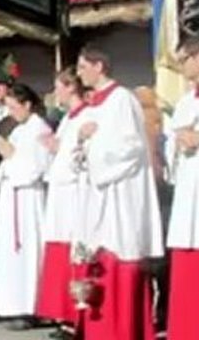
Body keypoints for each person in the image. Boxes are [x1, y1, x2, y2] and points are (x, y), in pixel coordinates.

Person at [75, 45, 163, 340]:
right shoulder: (94, 105)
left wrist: (94, 145)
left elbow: (131, 147)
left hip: (119, 197)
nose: (78, 73)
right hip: (97, 196)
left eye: (82, 66)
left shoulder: (122, 99)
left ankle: (123, 331)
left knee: (119, 257)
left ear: (99, 66)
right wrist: (82, 142)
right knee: (95, 260)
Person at [0, 83, 53, 330]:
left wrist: (10, 156)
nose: (12, 112)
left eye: (14, 107)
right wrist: (8, 159)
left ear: (27, 105)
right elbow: (6, 167)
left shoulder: (39, 129)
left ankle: (30, 307)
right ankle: (12, 304)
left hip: (28, 199)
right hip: (12, 196)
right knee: (12, 253)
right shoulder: (20, 130)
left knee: (28, 251)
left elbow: (35, 169)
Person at [35, 68, 89, 336]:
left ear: (70, 88)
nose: (55, 92)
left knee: (73, 249)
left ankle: (76, 315)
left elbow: (79, 153)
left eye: (58, 87)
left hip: (74, 193)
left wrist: (59, 148)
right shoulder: (69, 117)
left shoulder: (85, 116)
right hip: (61, 191)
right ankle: (64, 312)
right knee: (59, 249)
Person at [165, 36, 199, 340]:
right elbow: (172, 144)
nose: (182, 67)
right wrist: (177, 144)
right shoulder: (186, 101)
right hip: (189, 190)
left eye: (185, 59)